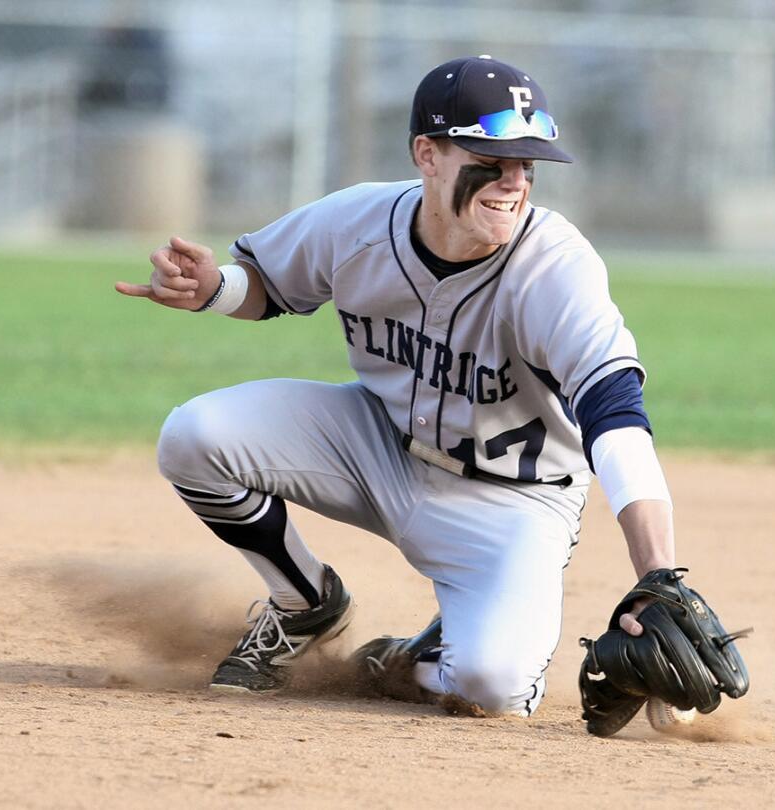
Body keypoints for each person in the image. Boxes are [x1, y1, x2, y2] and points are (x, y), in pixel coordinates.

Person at [115, 55, 681, 717]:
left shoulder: (555, 268)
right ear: (427, 154)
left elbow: (616, 416)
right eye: (492, 160)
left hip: (512, 503)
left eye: (527, 164)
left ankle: (423, 659)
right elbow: (268, 285)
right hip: (376, 447)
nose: (514, 182)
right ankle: (305, 604)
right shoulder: (358, 223)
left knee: (491, 686)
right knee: (193, 436)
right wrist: (215, 291)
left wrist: (658, 577)